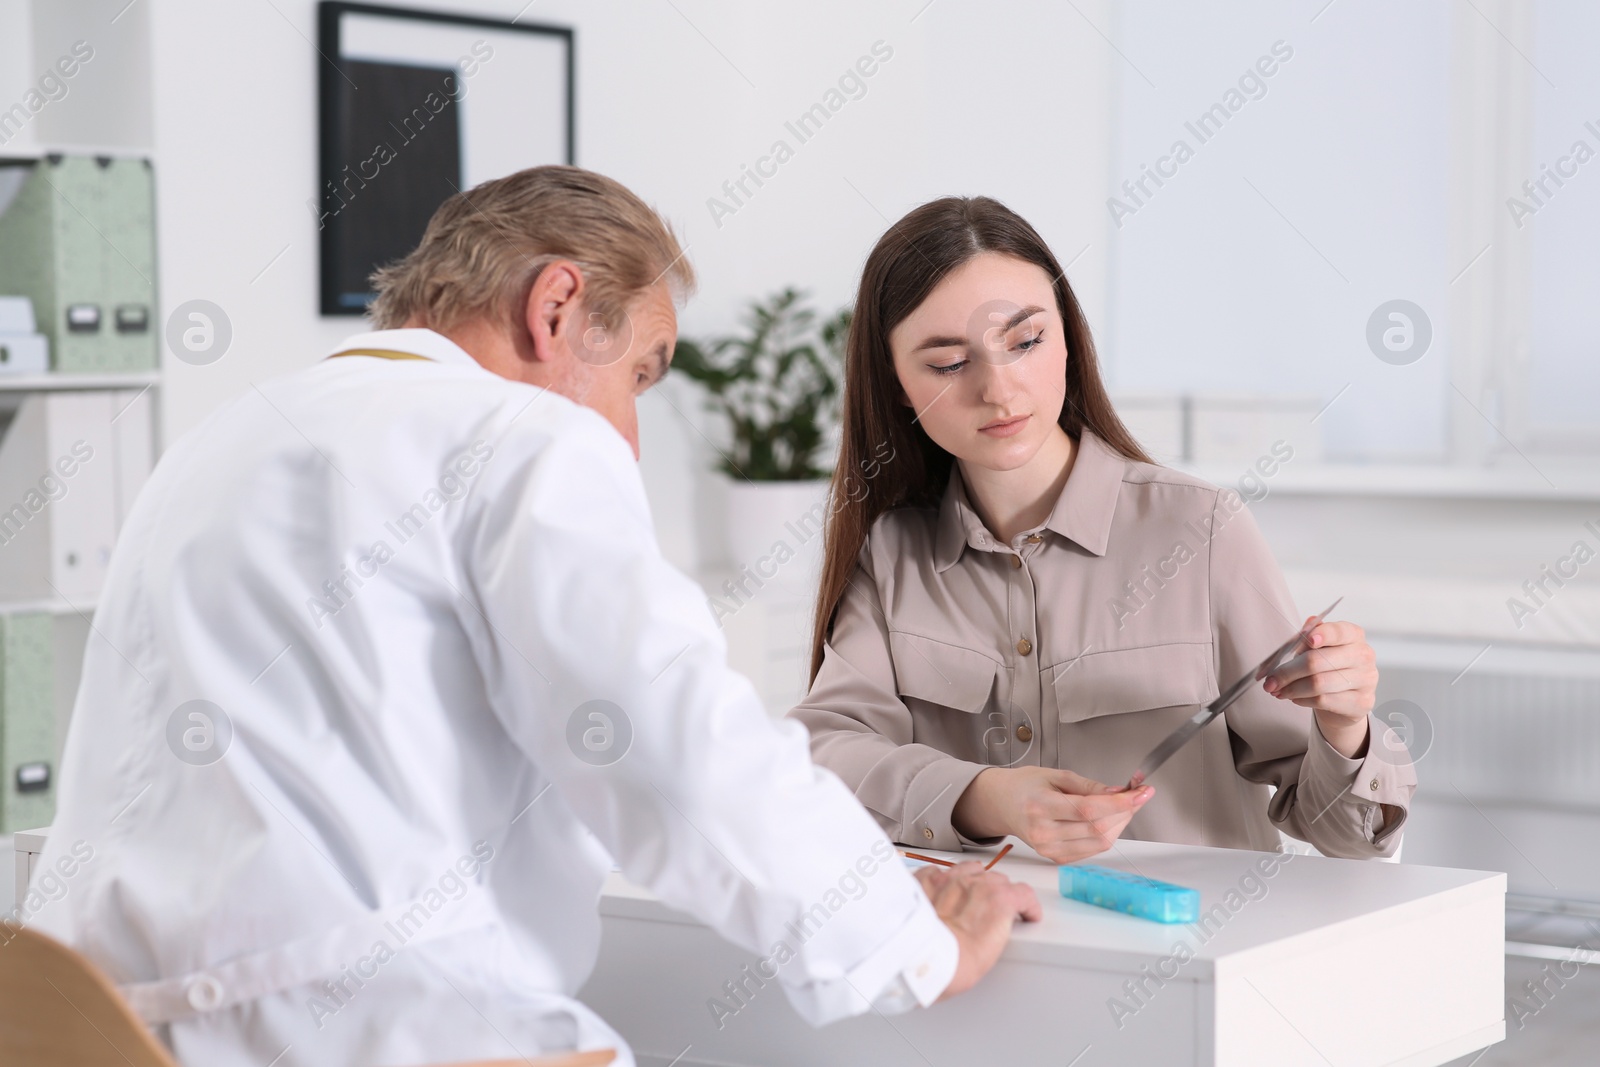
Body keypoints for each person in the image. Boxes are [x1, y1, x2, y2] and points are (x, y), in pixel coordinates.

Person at [23, 168, 1039, 1067]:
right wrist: (907, 938)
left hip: (86, 1024)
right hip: (376, 1028)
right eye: (640, 369)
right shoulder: (518, 435)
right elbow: (678, 748)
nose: (632, 433)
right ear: (556, 306)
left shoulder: (217, 442)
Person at [790, 196, 1417, 865]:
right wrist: (989, 796)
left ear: (1067, 338)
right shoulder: (891, 554)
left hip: (1190, 952)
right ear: (897, 385)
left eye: (1025, 342)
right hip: (994, 955)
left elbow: (1345, 837)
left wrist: (1345, 726)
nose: (999, 390)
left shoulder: (1200, 531)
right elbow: (823, 760)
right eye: (948, 363)